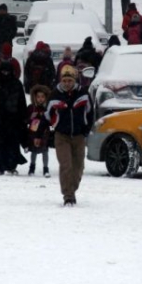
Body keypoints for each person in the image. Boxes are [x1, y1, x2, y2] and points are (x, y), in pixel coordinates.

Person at [46, 66, 94, 206]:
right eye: (64, 80)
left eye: (69, 80)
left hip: (79, 136)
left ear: (75, 80)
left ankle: (71, 189)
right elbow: (47, 116)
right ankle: (68, 196)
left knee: (78, 167)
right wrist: (50, 130)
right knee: (66, 165)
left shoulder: (83, 94)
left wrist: (86, 130)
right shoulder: (55, 94)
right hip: (62, 136)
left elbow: (90, 113)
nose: (67, 83)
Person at [26, 85, 52, 178]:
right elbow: (25, 119)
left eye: (42, 97)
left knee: (45, 151)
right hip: (33, 132)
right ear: (34, 97)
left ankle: (46, 168)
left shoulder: (48, 108)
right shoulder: (31, 108)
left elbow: (51, 120)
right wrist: (31, 117)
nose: (40, 99)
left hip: (45, 133)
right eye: (38, 97)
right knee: (34, 151)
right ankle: (32, 168)